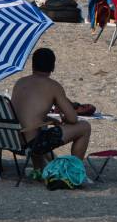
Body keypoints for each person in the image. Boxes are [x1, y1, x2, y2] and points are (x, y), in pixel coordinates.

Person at [10, 47, 91, 177]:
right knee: (84, 127)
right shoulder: (53, 86)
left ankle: (39, 169)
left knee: (42, 127)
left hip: (14, 139)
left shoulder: (20, 82)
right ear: (52, 67)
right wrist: (64, 119)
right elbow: (73, 119)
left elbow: (27, 113)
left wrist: (50, 119)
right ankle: (73, 172)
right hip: (34, 143)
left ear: (33, 65)